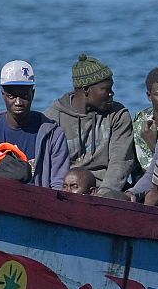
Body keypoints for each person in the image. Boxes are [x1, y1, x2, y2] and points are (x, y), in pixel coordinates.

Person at [46, 54, 135, 193]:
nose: (112, 93)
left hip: (106, 191)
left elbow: (120, 163)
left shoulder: (118, 115)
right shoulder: (54, 118)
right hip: (68, 190)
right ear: (86, 89)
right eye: (106, 89)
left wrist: (102, 196)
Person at [0, 60, 72, 190]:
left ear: (33, 94)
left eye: (24, 96)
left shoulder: (53, 134)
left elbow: (58, 183)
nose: (18, 102)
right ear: (3, 95)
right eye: (11, 96)